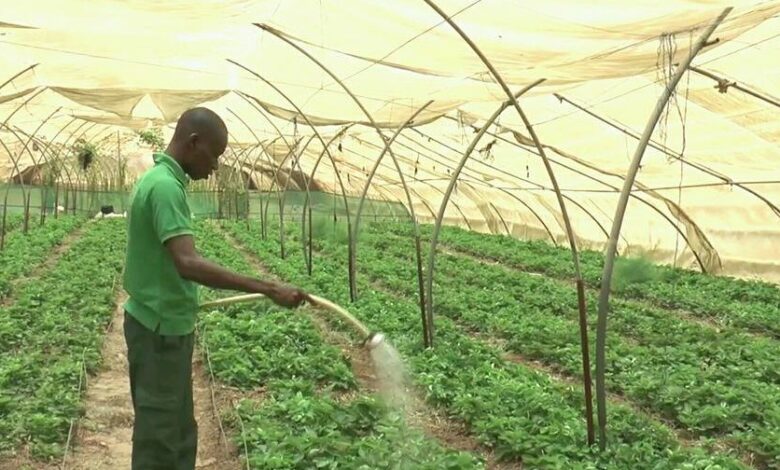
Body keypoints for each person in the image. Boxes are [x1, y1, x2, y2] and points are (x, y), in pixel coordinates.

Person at [122, 107, 308, 470]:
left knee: (178, 430)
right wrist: (268, 287)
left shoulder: (164, 181)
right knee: (160, 437)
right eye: (215, 155)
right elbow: (187, 262)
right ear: (194, 143)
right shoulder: (163, 187)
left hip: (165, 328)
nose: (216, 167)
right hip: (158, 333)